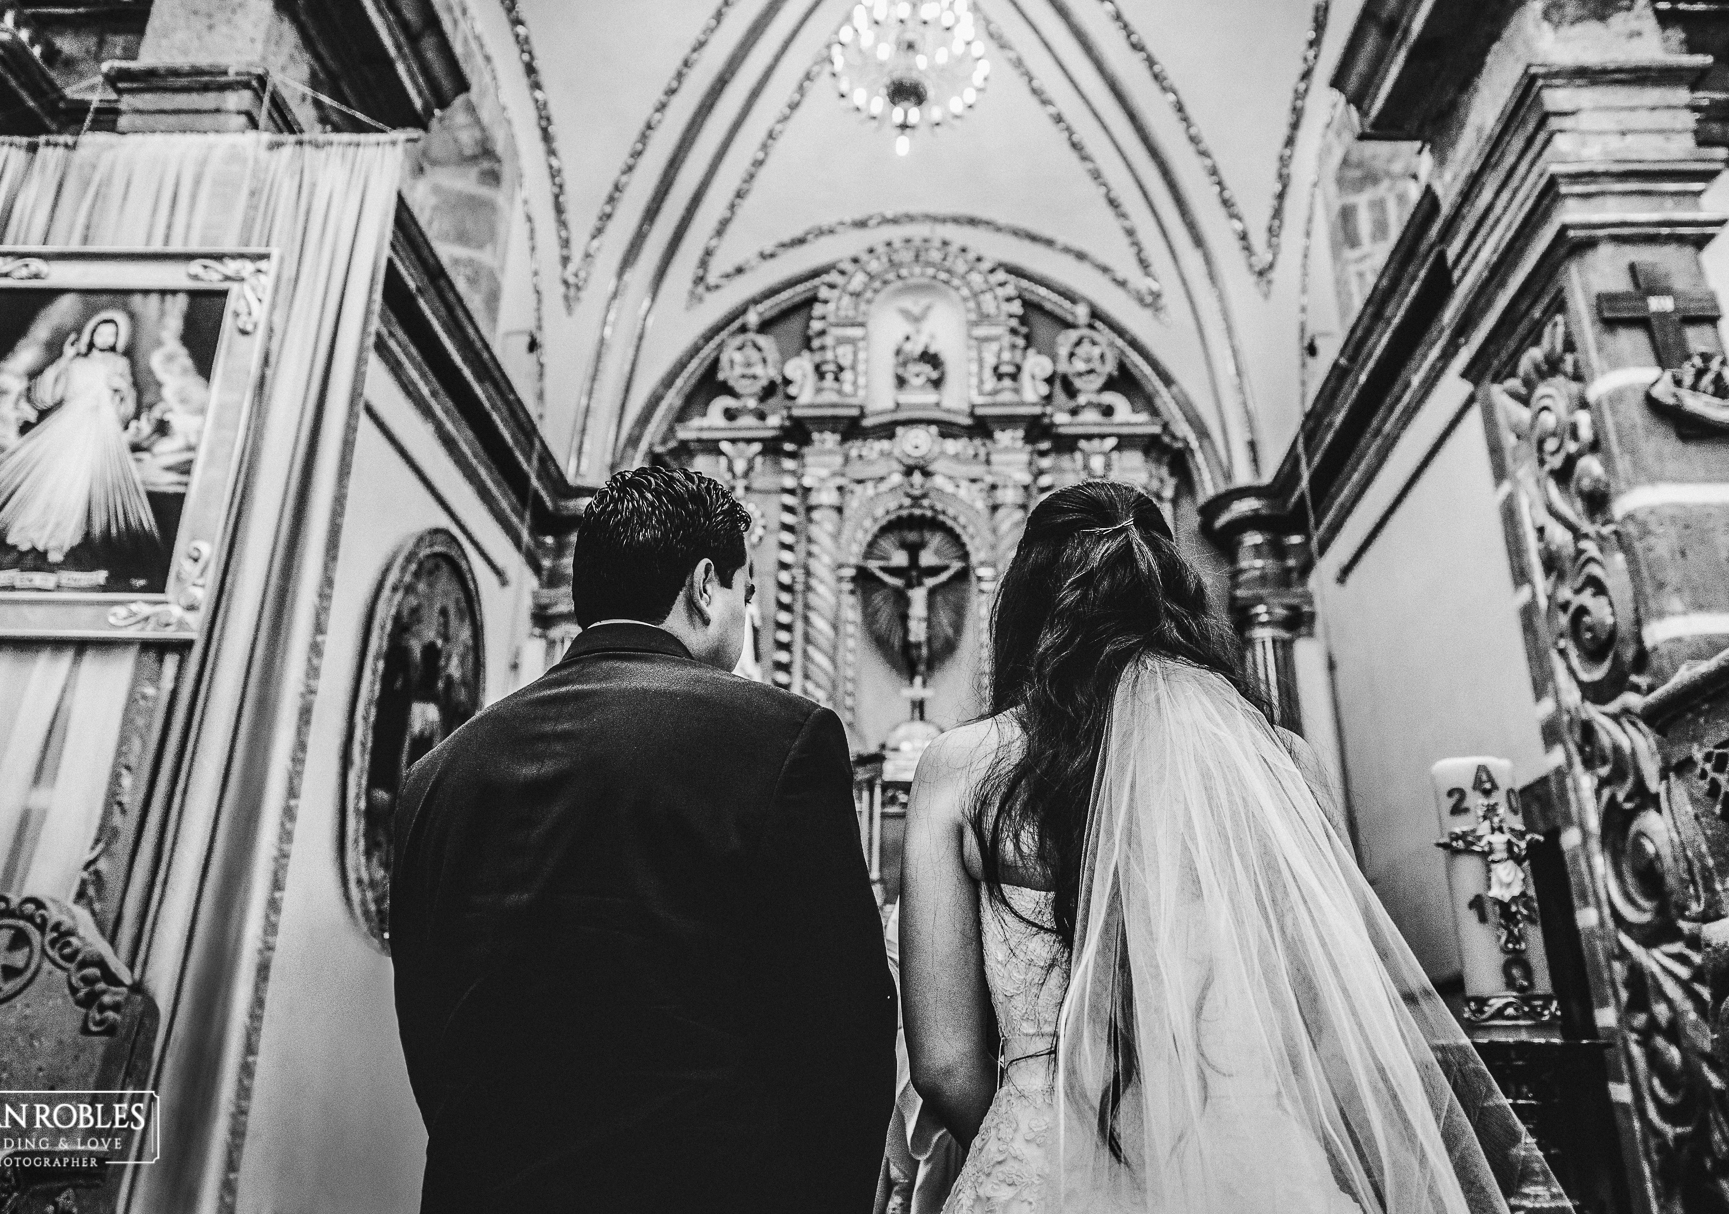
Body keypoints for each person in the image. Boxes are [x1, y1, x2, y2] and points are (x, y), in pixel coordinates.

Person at [901, 481, 1559, 1214]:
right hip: (1251, 1159)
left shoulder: (964, 767)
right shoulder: (1279, 760)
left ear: (1025, 605)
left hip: (1039, 1168)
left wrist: (1039, 1135)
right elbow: (1318, 1018)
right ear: (1176, 592)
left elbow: (947, 1065)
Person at [390, 467, 896, 1213]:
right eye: (745, 595)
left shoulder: (435, 774)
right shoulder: (779, 741)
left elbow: (432, 1039)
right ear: (703, 586)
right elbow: (842, 1043)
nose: (745, 617)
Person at [0, 309, 158, 562]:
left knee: (75, 486)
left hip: (95, 432)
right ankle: (31, 532)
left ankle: (58, 540)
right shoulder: (75, 362)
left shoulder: (119, 365)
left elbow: (125, 409)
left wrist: (124, 390)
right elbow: (47, 396)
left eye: (112, 334)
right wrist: (64, 360)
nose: (105, 338)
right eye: (101, 332)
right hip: (65, 428)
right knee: (49, 480)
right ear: (91, 333)